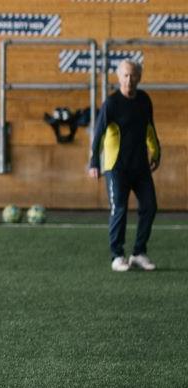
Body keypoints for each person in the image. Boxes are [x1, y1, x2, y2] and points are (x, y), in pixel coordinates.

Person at [88, 58, 160, 272]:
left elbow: (150, 129)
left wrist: (156, 151)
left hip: (140, 167)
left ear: (140, 77)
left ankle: (138, 253)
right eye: (125, 75)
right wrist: (94, 161)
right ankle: (117, 255)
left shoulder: (145, 100)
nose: (129, 80)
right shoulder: (111, 103)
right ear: (118, 77)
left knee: (150, 207)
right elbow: (99, 133)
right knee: (119, 209)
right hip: (116, 168)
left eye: (133, 75)